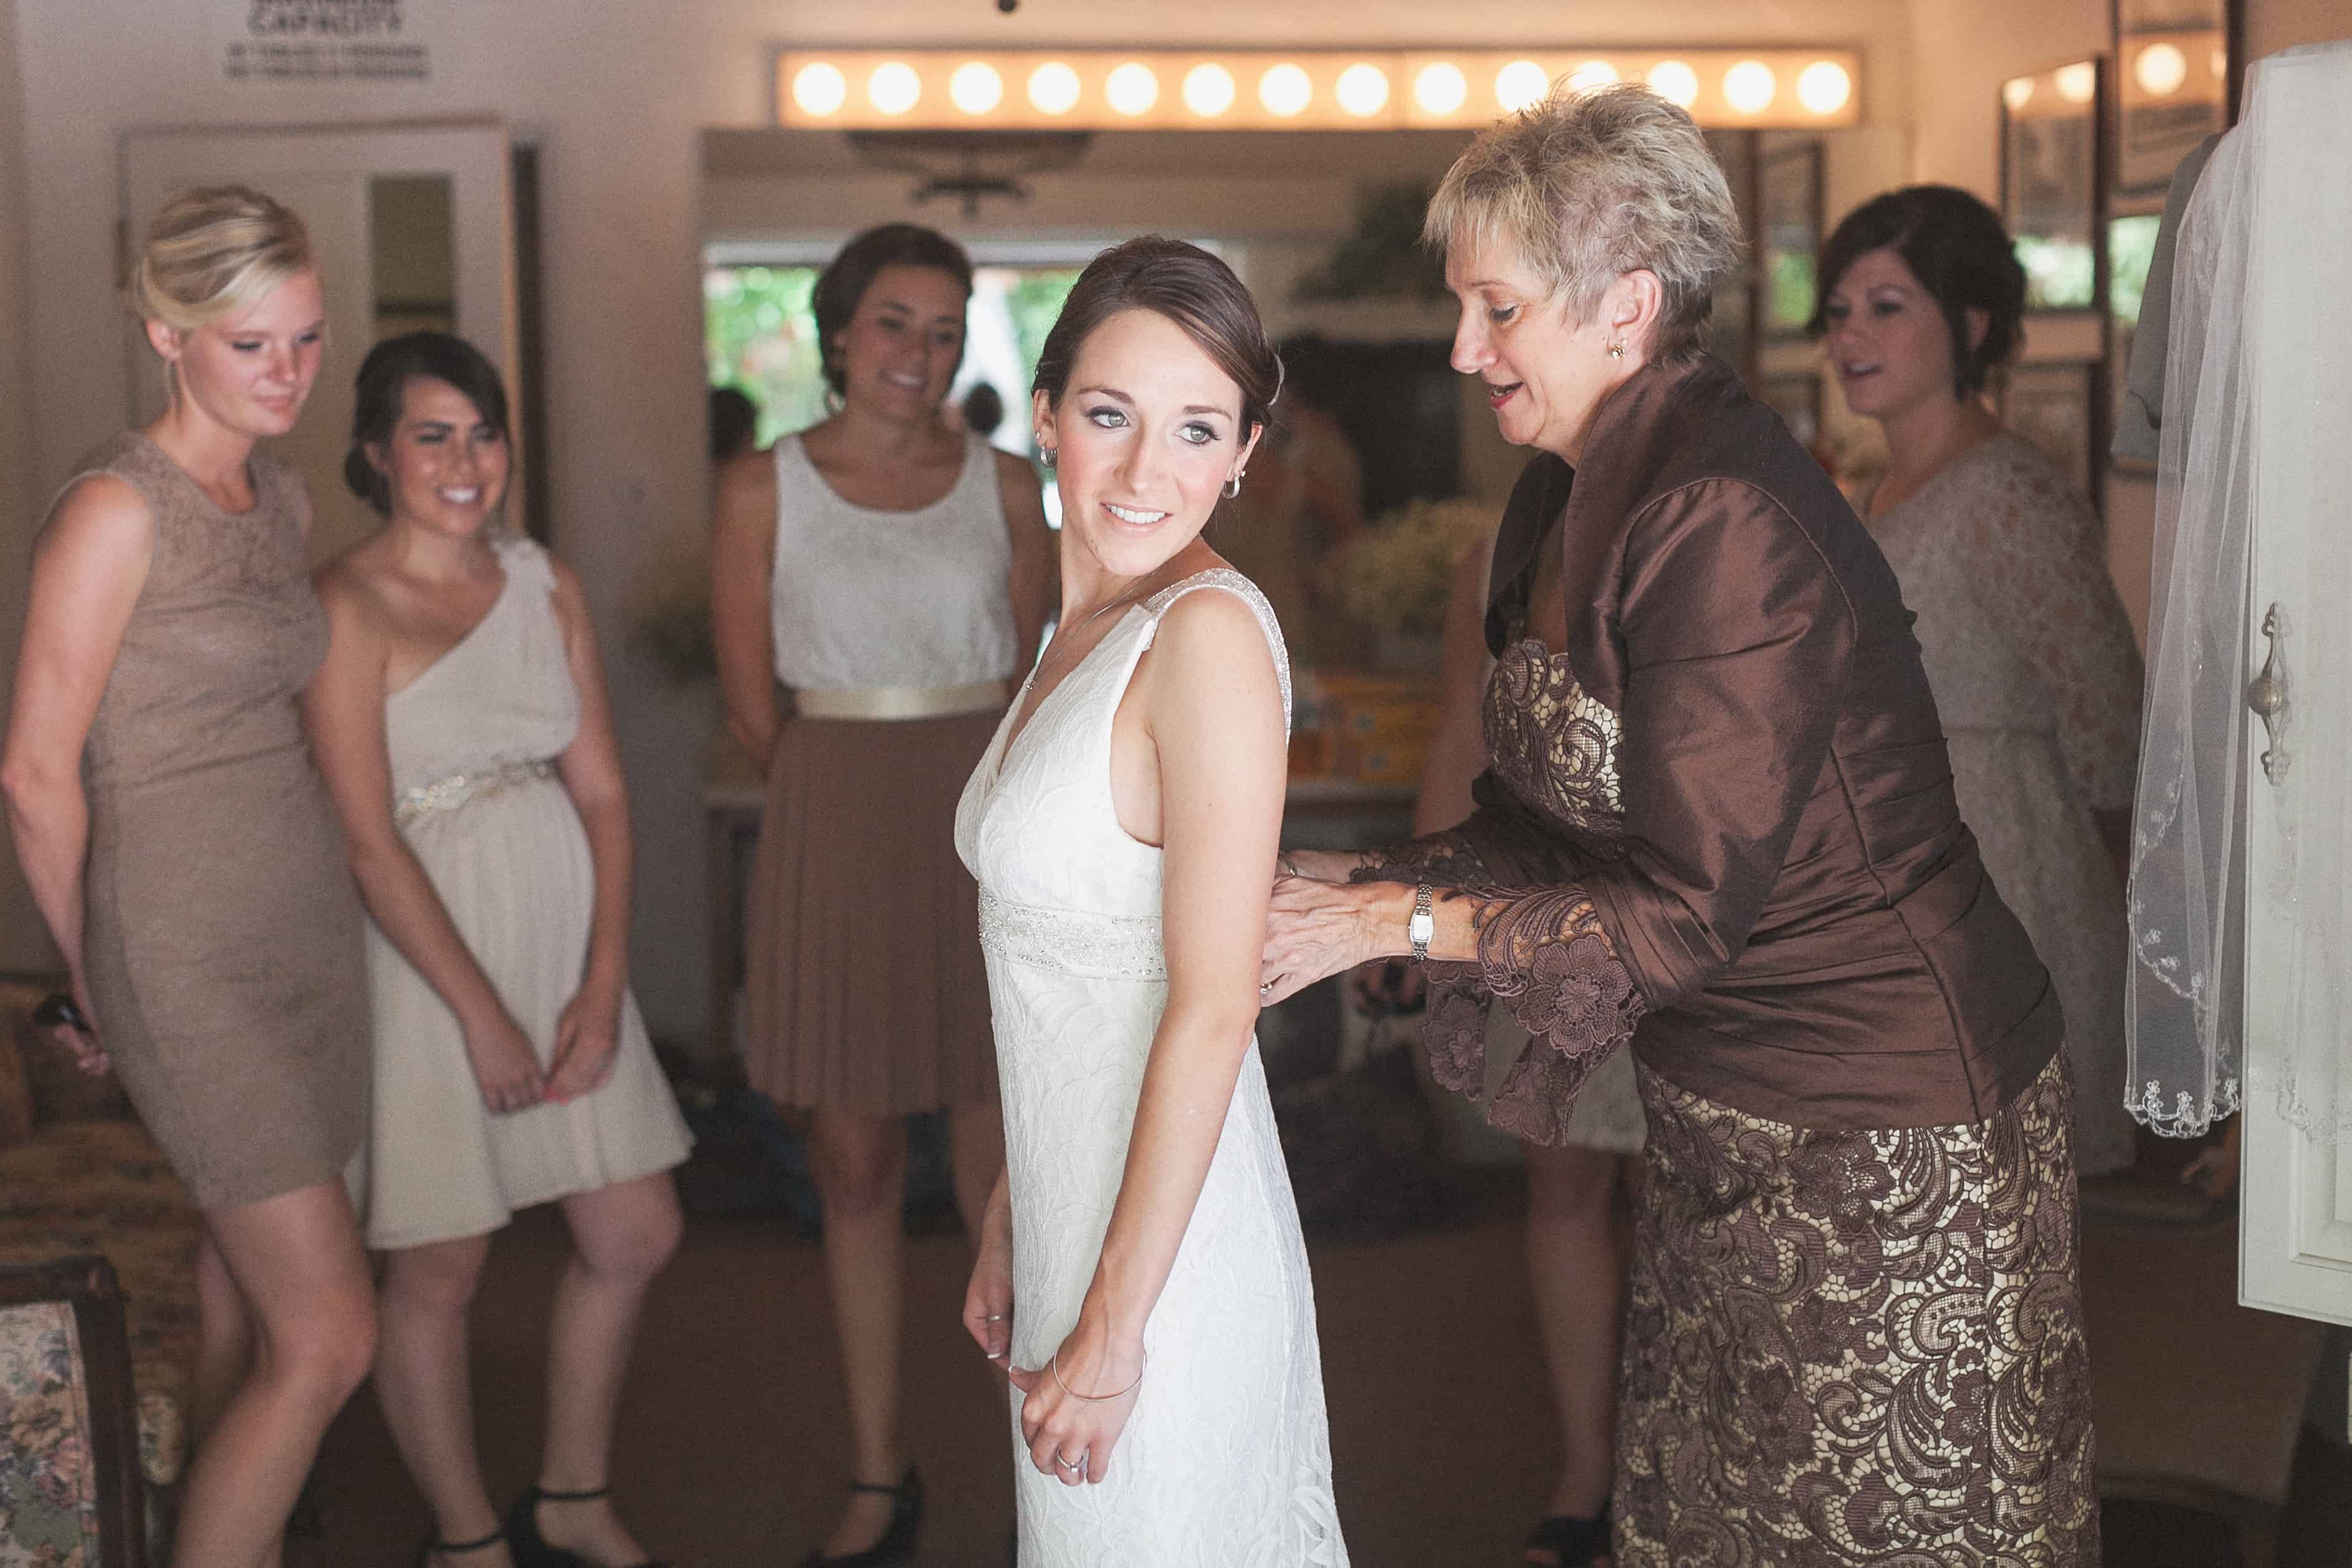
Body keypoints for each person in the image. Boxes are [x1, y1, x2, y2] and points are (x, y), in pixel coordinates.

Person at [1261, 86, 2097, 1565]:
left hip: (1893, 1123)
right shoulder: (1556, 501)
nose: (1467, 352)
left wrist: (1379, 923)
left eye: (1497, 309)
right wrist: (1354, 876)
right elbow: (1547, 825)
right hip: (1718, 1104)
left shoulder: (1725, 516)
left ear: (1628, 305)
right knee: (1724, 1511)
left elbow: (1684, 910)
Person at [953, 234, 1347, 1565]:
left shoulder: (1210, 637)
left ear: (1243, 455)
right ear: (1049, 413)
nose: (1145, 472)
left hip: (1170, 1254)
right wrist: (1016, 1198)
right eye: (1112, 416)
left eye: (1197, 430)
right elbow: (1070, 969)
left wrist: (1121, 1322)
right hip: (1077, 1195)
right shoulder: (1080, 623)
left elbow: (1212, 998)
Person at [0, 185, 377, 1568]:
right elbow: (34, 772)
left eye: (305, 339)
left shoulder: (280, 493)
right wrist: (97, 979)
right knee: (334, 1333)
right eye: (249, 345)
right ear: (167, 333)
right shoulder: (113, 508)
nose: (286, 373)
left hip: (304, 931)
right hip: (180, 956)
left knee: (246, 1305)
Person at [302, 332, 691, 1568]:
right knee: (441, 1264)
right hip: (425, 954)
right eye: (433, 435)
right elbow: (365, 839)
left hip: (564, 931)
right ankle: (467, 1536)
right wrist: (477, 1013)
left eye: (483, 432)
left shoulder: (545, 580)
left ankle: (572, 1493)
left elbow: (611, 798)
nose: (467, 462)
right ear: (377, 454)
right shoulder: (344, 603)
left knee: (635, 1231)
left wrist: (605, 977)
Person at [707, 222, 1054, 1566]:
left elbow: (1039, 672)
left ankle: (1048, 1460)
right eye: (895, 323)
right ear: (841, 332)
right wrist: (837, 802)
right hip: (831, 804)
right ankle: (877, 1466)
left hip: (981, 810)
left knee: (997, 1161)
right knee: (850, 1157)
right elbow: (752, 709)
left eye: (945, 327)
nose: (921, 352)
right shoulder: (759, 487)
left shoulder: (1012, 483)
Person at [1815, 186, 2146, 1175]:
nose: (1850, 337)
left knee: (1987, 1211)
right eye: (1836, 311)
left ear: (1966, 322)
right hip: (1884, 862)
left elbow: (2108, 718)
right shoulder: (1871, 488)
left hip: (2000, 872)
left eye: (1885, 306)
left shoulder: (2008, 493)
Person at [1382, 527, 1642, 1568]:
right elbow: (1462, 727)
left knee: (1694, 1197)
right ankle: (1585, 1472)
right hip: (1535, 902)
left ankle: (1685, 1465)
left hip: (1683, 903)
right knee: (1563, 1185)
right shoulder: (1495, 550)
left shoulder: (1709, 512)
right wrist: (1417, 896)